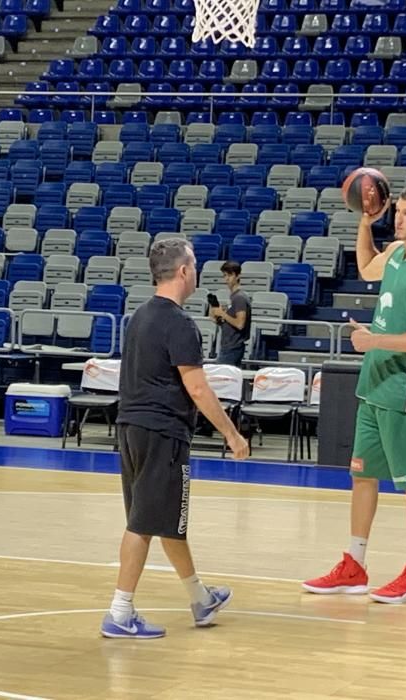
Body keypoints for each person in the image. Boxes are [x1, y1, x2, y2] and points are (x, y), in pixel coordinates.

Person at [302, 185, 406, 604]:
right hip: (375, 382)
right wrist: (365, 222)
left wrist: (377, 342)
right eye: (397, 212)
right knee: (362, 474)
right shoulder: (396, 254)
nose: (399, 219)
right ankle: (354, 564)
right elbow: (366, 267)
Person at [101, 238, 250, 639]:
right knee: (143, 525)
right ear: (184, 271)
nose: (198, 270)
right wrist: (233, 435)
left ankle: (200, 598)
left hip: (131, 428)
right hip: (162, 433)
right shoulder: (180, 324)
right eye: (195, 264)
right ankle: (120, 610)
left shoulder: (139, 317)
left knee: (166, 520)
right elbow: (198, 389)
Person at [208, 261, 251, 367]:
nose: (227, 279)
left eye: (230, 275)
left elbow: (240, 324)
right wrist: (218, 317)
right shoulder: (234, 297)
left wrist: (223, 314)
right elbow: (230, 322)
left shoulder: (239, 297)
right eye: (225, 275)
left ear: (238, 276)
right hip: (229, 346)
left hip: (232, 347)